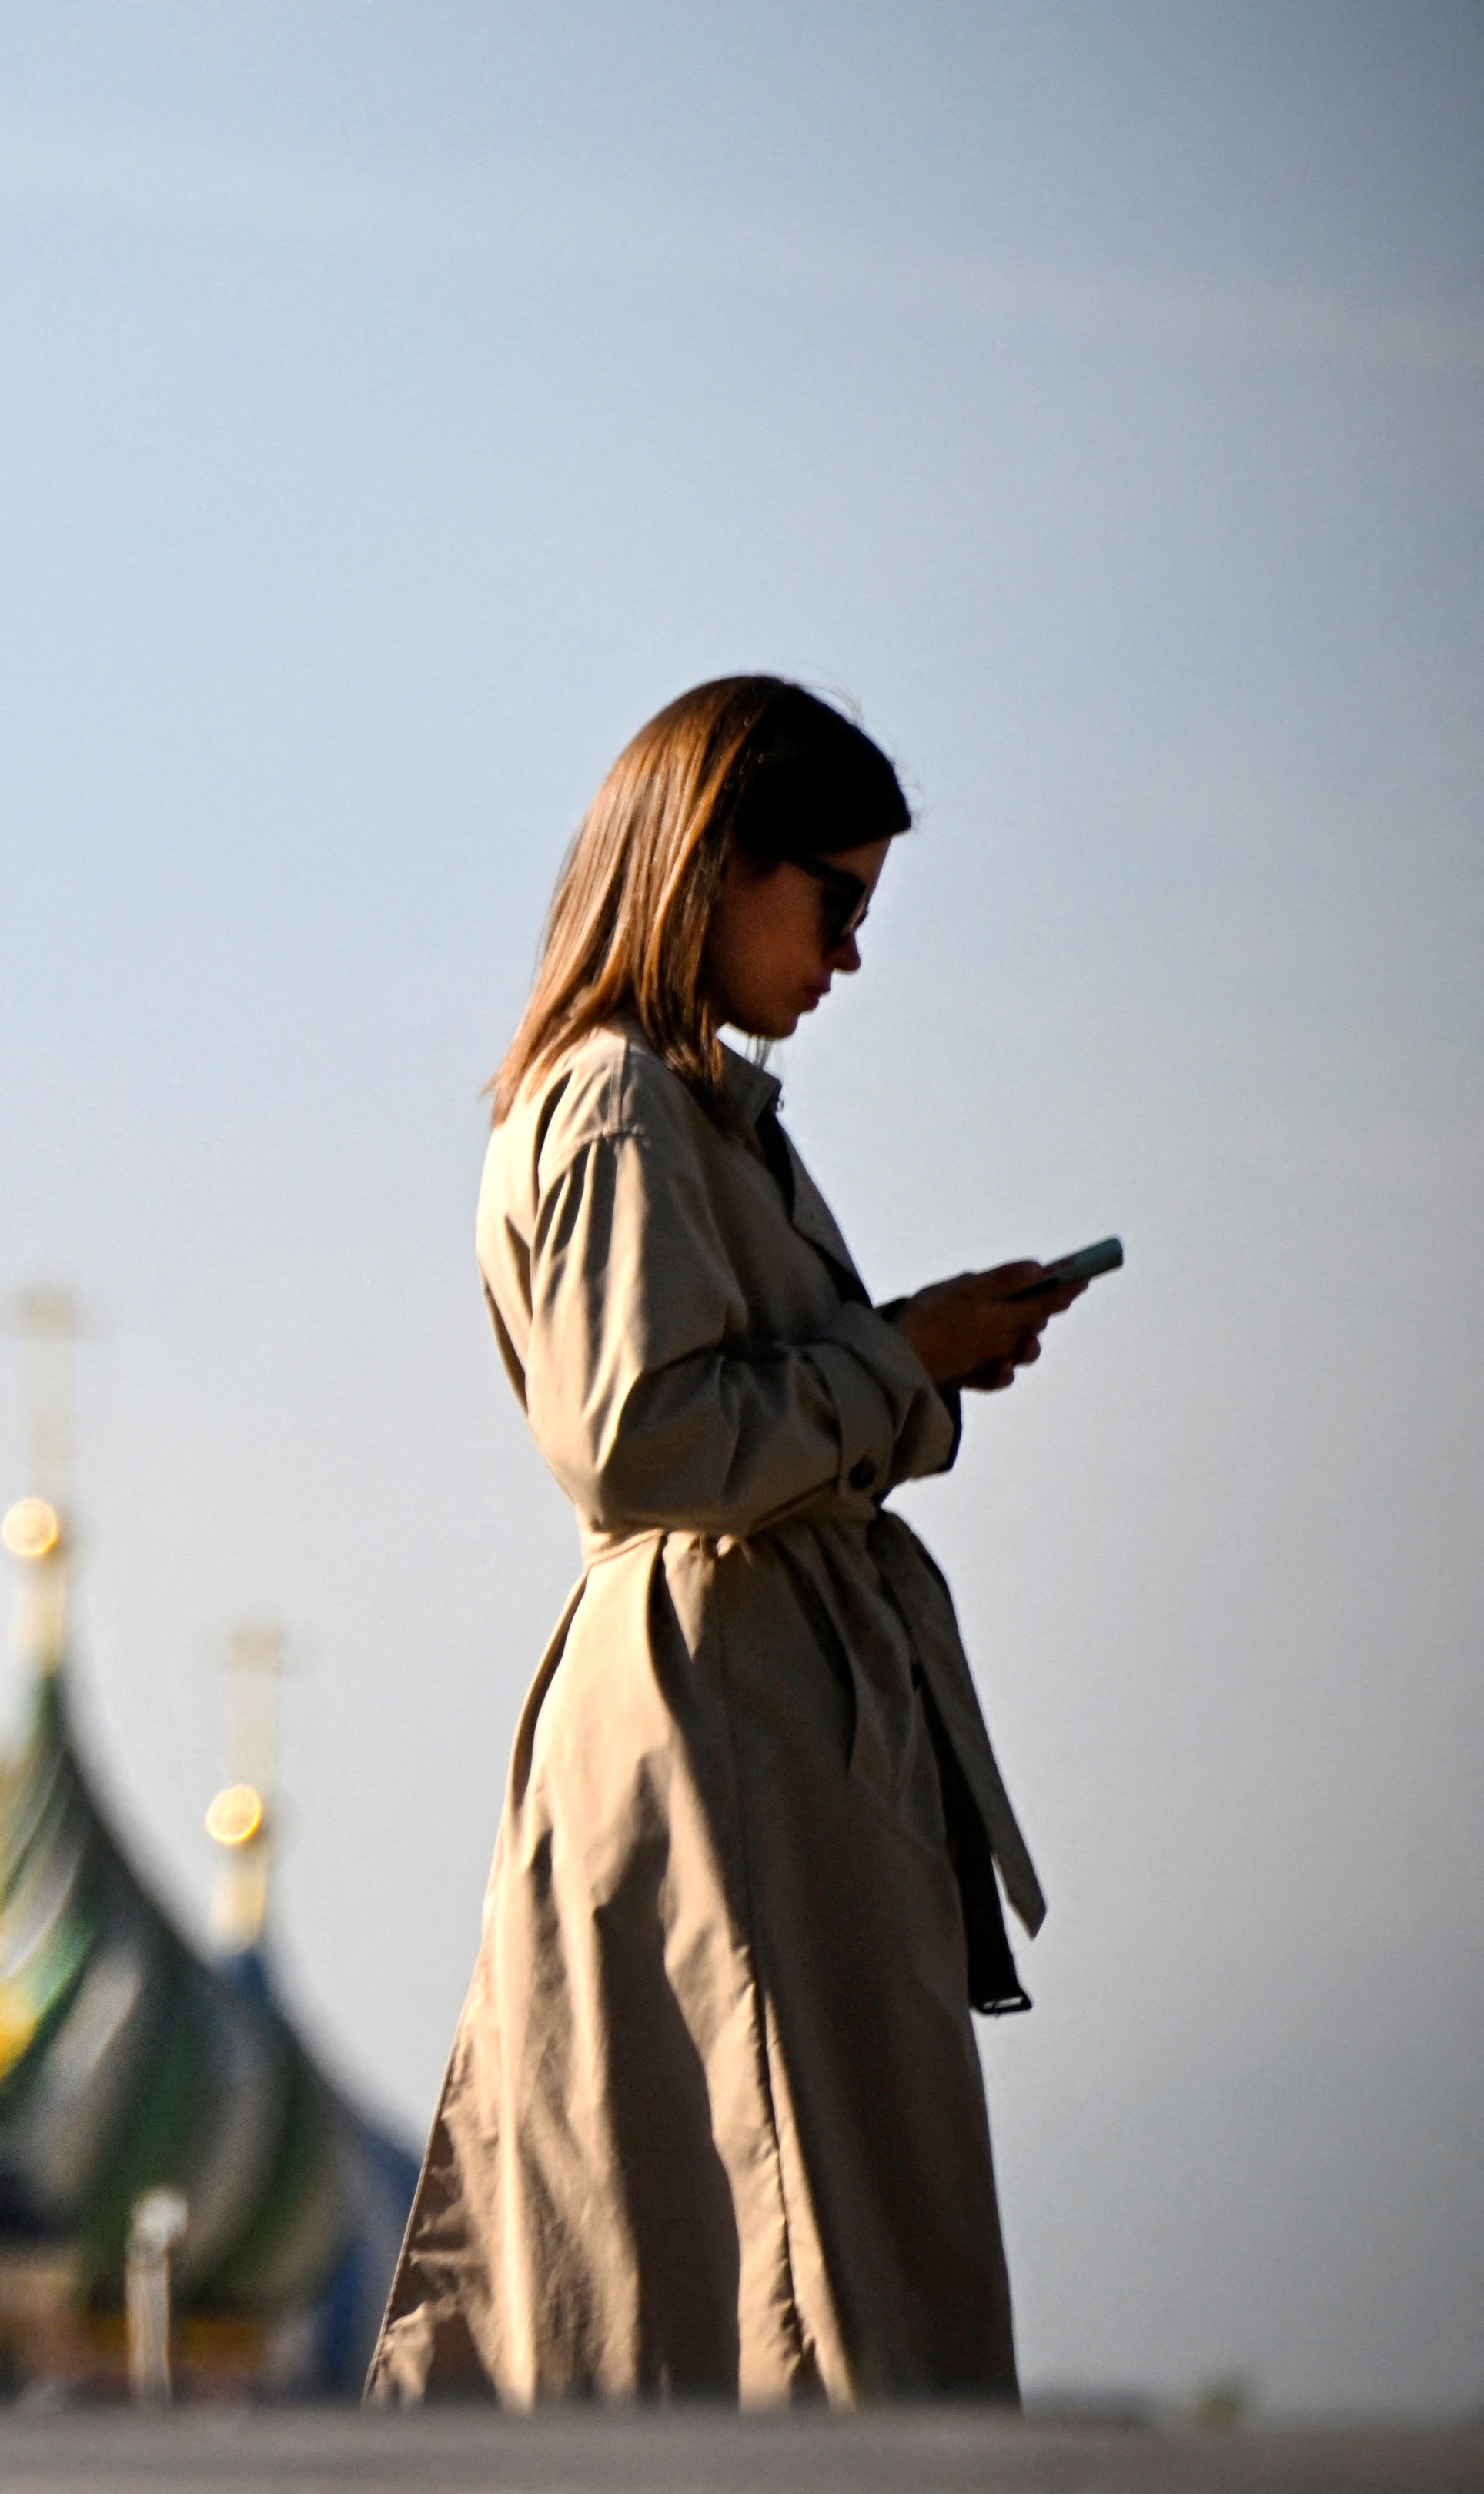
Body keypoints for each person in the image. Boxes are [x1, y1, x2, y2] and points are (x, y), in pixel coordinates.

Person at [366, 677, 1095, 2407]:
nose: (844, 957)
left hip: (762, 1707)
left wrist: (909, 1353)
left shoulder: (686, 1111)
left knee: (793, 2252)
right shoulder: (615, 1101)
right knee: (790, 2264)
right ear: (710, 867)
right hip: (723, 1727)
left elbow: (730, 1412)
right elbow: (641, 1442)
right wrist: (895, 1355)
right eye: (831, 901)